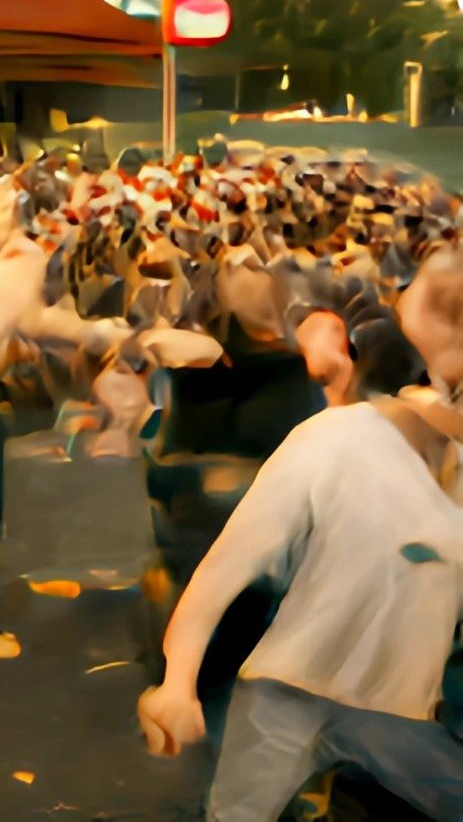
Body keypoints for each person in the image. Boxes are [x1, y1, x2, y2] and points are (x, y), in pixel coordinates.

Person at [138, 248, 463, 822]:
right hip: (290, 696)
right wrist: (177, 682)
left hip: (402, 721)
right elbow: (224, 568)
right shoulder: (336, 438)